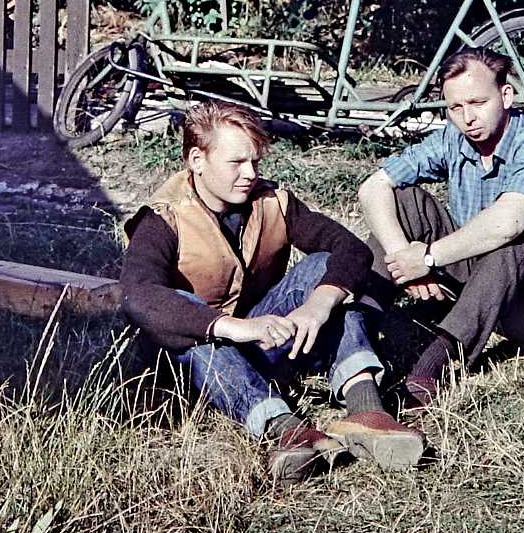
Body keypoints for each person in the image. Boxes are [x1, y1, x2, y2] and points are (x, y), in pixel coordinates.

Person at [121, 102, 424, 481]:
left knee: (324, 269)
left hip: (263, 341)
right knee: (186, 314)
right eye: (236, 163)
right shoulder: (163, 217)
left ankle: (366, 409)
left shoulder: (272, 201)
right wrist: (232, 327)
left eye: (255, 162)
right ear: (197, 160)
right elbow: (137, 295)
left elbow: (351, 250)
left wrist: (319, 303)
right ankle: (284, 428)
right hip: (196, 366)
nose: (250, 174)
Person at [358, 47, 524, 409]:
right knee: (404, 199)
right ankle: (354, 333)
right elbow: (373, 187)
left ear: (506, 96)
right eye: (455, 107)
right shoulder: (454, 137)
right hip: (486, 284)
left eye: (478, 102)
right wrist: (402, 258)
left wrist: (427, 258)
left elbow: (510, 222)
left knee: (516, 239)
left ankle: (436, 366)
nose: (467, 118)